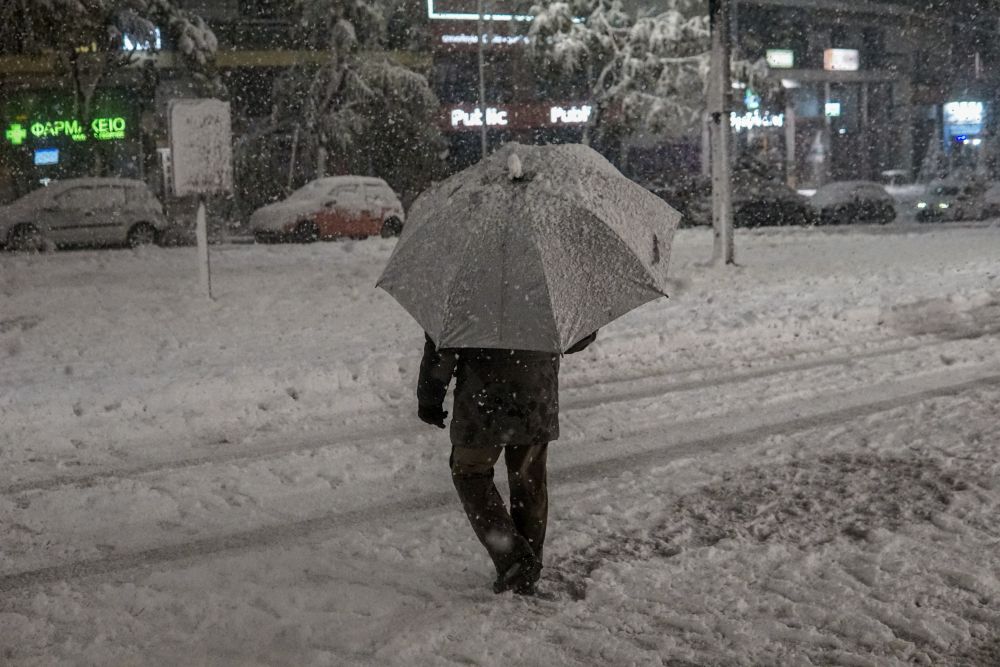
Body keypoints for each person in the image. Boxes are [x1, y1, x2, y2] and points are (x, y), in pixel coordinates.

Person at [416, 330, 597, 595]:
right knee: (528, 480)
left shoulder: (464, 293)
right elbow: (575, 338)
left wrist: (430, 398)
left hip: (483, 401)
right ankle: (527, 566)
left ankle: (514, 560)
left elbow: (441, 344)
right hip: (536, 398)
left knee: (469, 472)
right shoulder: (545, 293)